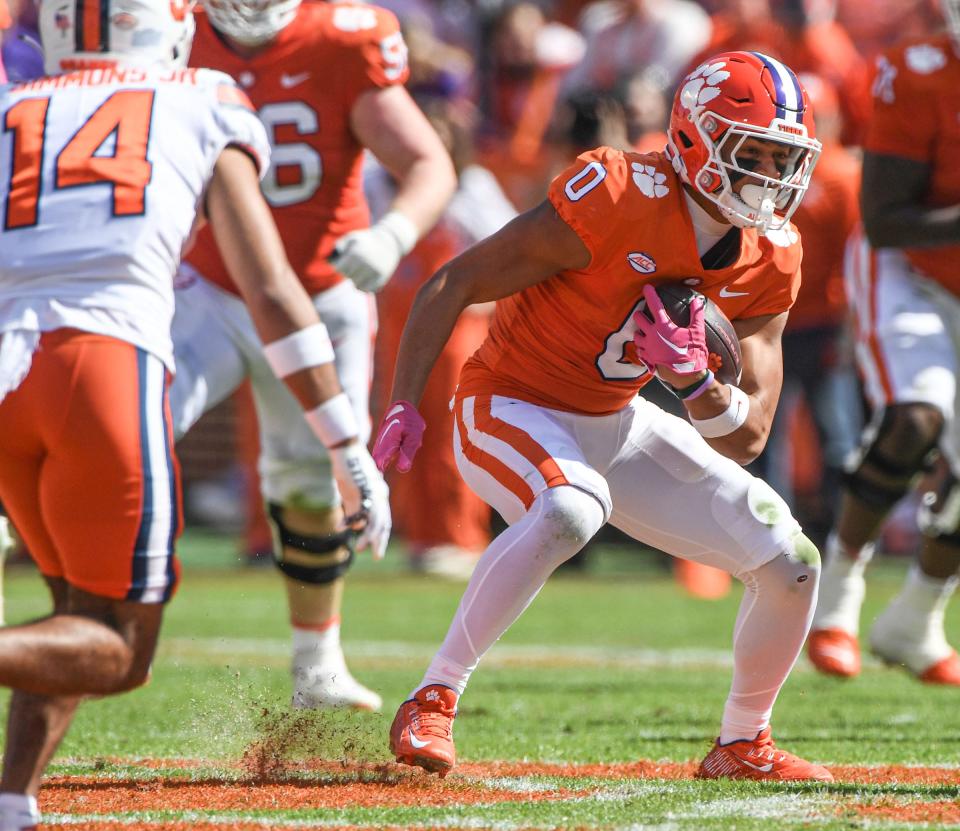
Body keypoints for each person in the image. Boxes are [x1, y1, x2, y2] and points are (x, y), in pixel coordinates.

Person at [374, 51, 832, 782]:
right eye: (755, 154)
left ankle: (743, 741)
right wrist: (403, 399)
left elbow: (748, 435)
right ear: (695, 139)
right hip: (506, 399)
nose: (773, 176)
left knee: (792, 562)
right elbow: (454, 279)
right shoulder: (617, 192)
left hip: (613, 422)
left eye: (786, 158)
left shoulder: (771, 253)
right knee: (570, 508)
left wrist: (695, 384)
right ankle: (434, 694)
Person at [0, 0, 389, 825]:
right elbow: (273, 290)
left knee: (75, 611)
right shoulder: (202, 97)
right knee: (119, 650)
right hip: (97, 365)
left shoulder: (12, 102)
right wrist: (346, 442)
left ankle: (11, 800)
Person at [170, 0, 456, 711]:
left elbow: (427, 162)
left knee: (309, 477)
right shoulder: (176, 30)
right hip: (210, 285)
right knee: (127, 422)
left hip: (324, 289)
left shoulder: (342, 38)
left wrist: (392, 233)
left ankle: (318, 663)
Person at [807, 0, 960, 685]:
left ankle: (915, 618)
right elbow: (887, 219)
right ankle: (836, 597)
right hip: (910, 269)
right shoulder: (919, 72)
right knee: (916, 416)